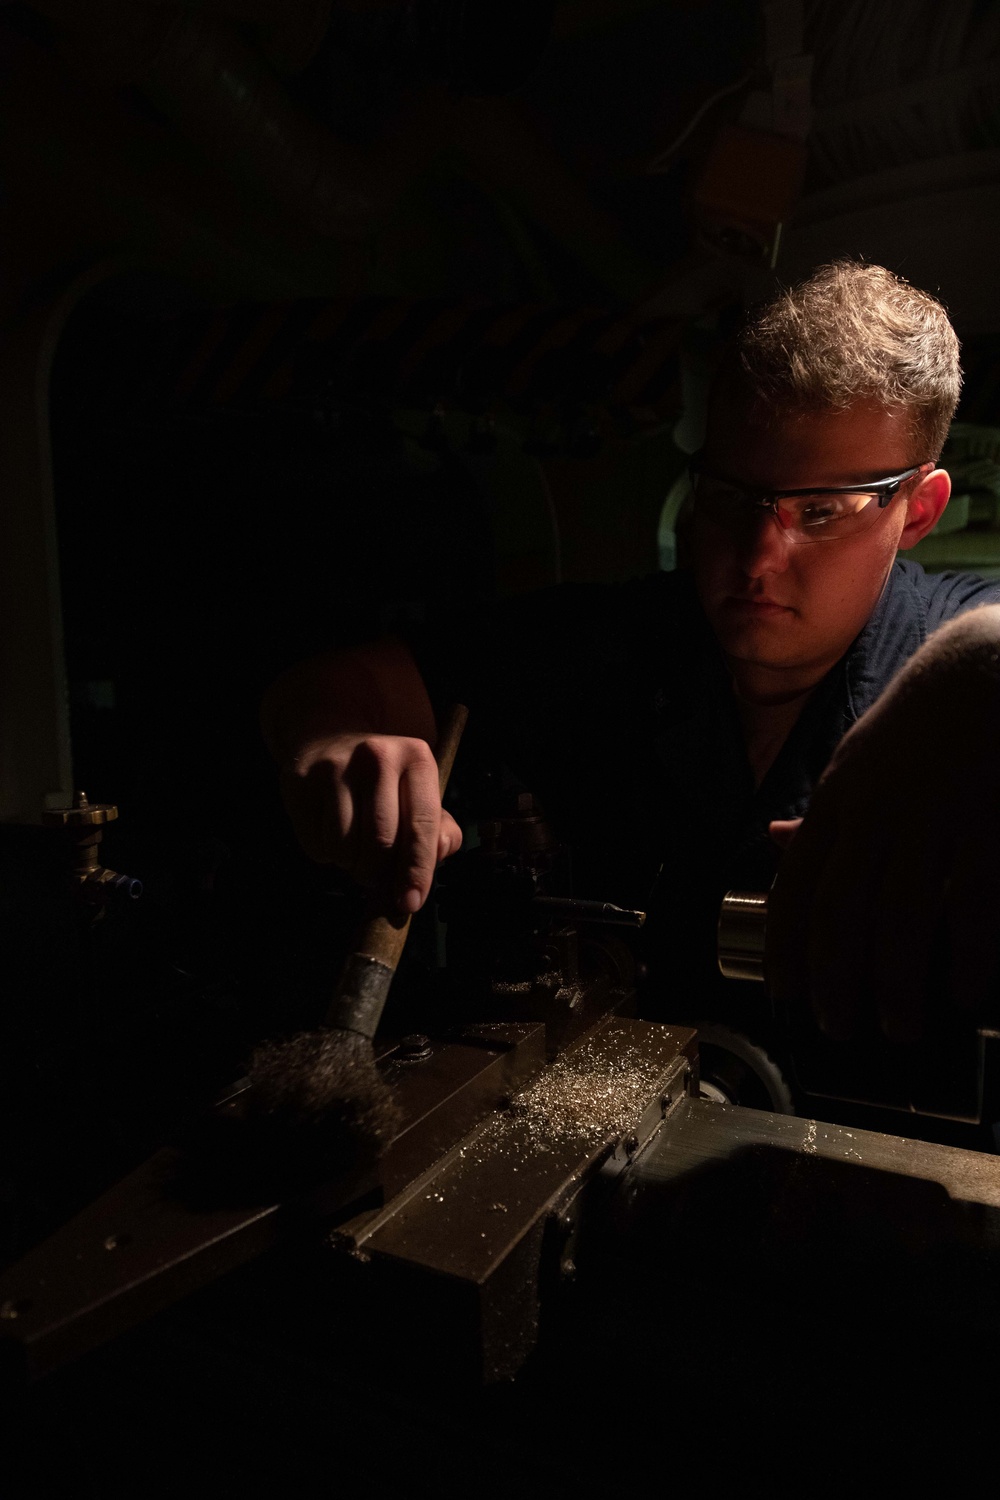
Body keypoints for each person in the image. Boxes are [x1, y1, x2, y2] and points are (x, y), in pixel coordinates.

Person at [262, 260, 1000, 1051]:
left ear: (919, 510)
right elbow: (340, 684)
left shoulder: (947, 643)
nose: (757, 556)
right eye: (727, 496)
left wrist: (974, 658)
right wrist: (332, 742)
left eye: (818, 512)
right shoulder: (617, 643)